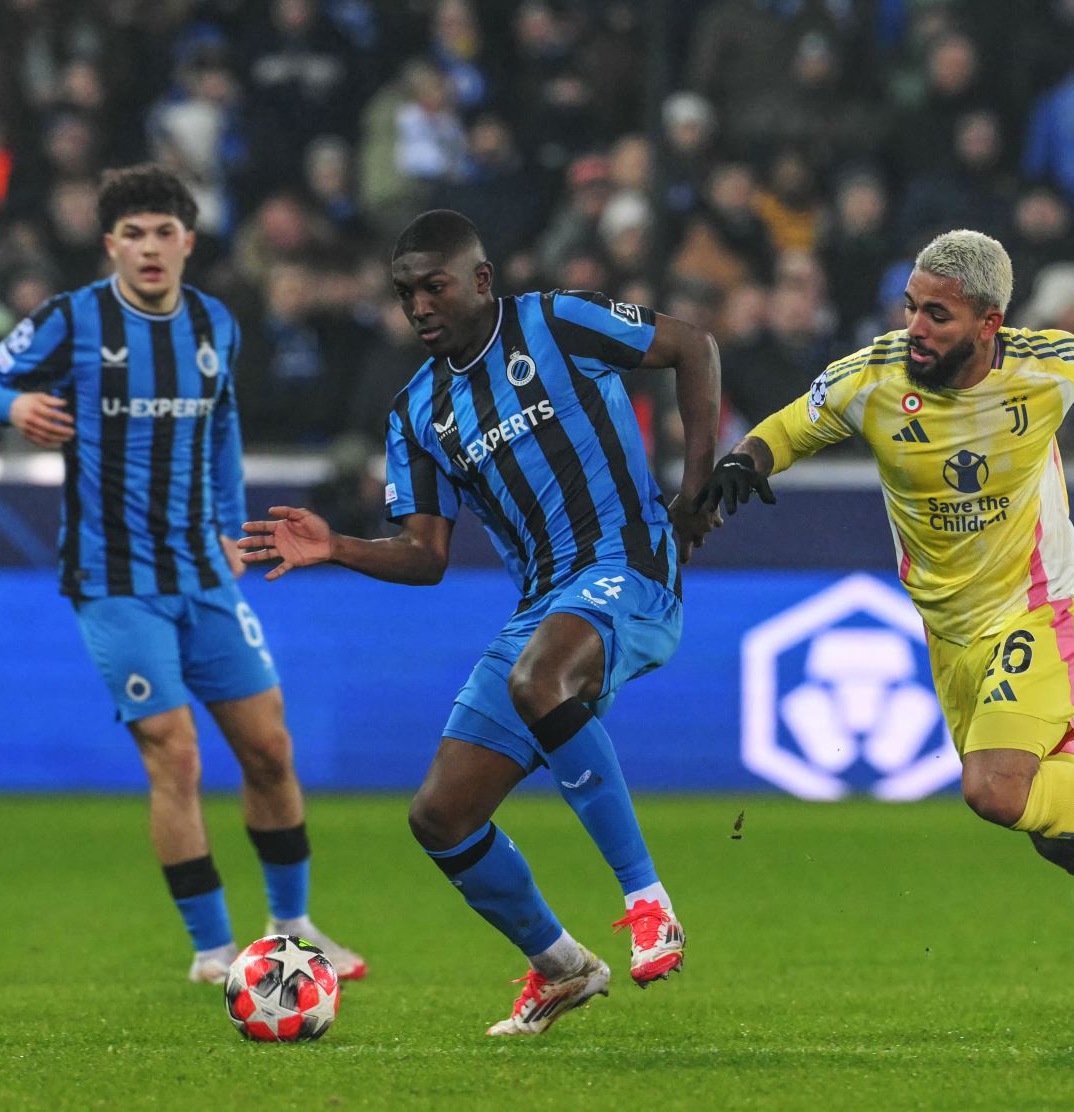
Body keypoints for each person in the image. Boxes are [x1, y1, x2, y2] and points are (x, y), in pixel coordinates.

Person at [693, 229, 1074, 1038]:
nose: (915, 327)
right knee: (1067, 841)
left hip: (1039, 613)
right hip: (953, 642)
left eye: (936, 314)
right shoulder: (871, 379)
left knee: (995, 790)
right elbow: (794, 425)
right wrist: (744, 462)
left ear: (989, 323)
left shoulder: (1042, 366)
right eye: (910, 307)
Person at [239, 209, 723, 1036]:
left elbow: (694, 347)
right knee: (440, 816)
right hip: (543, 602)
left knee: (540, 678)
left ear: (481, 280)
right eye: (405, 294)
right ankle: (562, 967)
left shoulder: (556, 321)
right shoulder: (417, 412)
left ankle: (649, 903)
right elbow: (427, 555)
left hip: (628, 568)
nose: (420, 306)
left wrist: (696, 487)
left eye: (435, 287)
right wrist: (340, 547)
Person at [0, 165, 365, 985]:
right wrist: (13, 408)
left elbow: (222, 429)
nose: (149, 247)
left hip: (202, 576)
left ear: (188, 242)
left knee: (270, 749)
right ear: (111, 246)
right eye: (132, 234)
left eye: (163, 232)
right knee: (175, 757)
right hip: (114, 582)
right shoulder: (72, 321)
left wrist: (229, 526)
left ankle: (294, 924)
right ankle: (214, 950)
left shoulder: (215, 324)